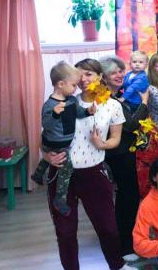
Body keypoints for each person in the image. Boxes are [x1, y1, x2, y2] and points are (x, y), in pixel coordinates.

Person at [42, 58, 129, 270]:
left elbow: (116, 138)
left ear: (100, 76)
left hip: (94, 174)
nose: (83, 79)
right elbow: (46, 136)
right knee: (65, 232)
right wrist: (47, 157)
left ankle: (118, 266)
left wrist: (103, 144)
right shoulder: (63, 102)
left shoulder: (113, 105)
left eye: (88, 74)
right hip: (61, 173)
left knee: (108, 227)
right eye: (79, 75)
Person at [100, 55, 149, 259]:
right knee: (127, 197)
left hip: (122, 152)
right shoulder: (110, 100)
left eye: (121, 71)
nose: (119, 75)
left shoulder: (118, 95)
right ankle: (126, 246)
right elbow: (131, 124)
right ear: (103, 77)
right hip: (118, 154)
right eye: (113, 72)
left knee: (127, 196)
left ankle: (127, 240)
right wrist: (144, 103)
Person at [32, 61, 94, 216]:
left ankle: (37, 174)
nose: (76, 88)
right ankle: (60, 199)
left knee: (49, 158)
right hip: (53, 142)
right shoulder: (49, 105)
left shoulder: (72, 100)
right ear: (61, 84)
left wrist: (88, 111)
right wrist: (54, 114)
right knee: (66, 169)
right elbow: (46, 124)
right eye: (73, 85)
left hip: (63, 142)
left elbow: (78, 113)